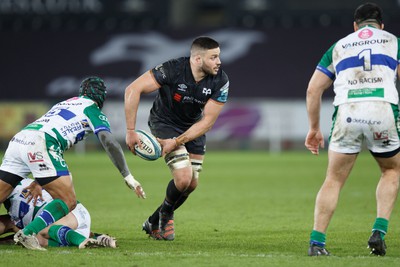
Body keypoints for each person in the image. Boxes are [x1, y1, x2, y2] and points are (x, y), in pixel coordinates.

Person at [0, 76, 146, 250]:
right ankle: (28, 233)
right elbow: (109, 141)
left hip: (20, 140)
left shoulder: (64, 103)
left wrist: (39, 181)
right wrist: (127, 175)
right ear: (101, 97)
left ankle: (29, 232)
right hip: (42, 142)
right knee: (68, 201)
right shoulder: (93, 110)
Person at [305, 2, 400, 256]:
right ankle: (379, 231)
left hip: (348, 113)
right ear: (381, 26)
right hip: (383, 110)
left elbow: (314, 89)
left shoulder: (339, 46)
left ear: (355, 26)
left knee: (333, 179)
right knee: (391, 170)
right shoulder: (394, 42)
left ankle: (317, 243)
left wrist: (314, 128)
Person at [125, 36, 229, 240]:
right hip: (164, 123)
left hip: (194, 127)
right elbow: (132, 89)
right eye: (214, 57)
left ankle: (153, 220)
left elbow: (207, 122)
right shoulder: (172, 69)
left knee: (192, 184)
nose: (219, 62)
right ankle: (167, 214)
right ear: (198, 59)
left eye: (219, 56)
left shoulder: (221, 80)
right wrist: (130, 131)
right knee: (182, 179)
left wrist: (178, 141)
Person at [0, 178, 116, 249]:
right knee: (37, 240)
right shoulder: (11, 191)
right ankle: (95, 238)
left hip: (70, 211)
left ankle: (83, 241)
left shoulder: (10, 183)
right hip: (52, 221)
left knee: (43, 230)